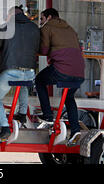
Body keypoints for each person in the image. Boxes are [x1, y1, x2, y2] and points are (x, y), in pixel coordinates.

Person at [35, 8, 85, 146]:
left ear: (49, 17)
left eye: (41, 18)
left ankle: (47, 116)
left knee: (39, 80)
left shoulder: (47, 27)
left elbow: (44, 50)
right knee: (69, 97)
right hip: (80, 72)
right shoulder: (70, 28)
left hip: (62, 69)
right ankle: (75, 130)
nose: (41, 21)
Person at [0, 6, 40, 141]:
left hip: (11, 71)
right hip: (30, 71)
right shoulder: (34, 28)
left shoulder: (6, 27)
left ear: (11, 14)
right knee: (23, 85)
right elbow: (39, 47)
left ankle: (5, 126)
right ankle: (22, 114)